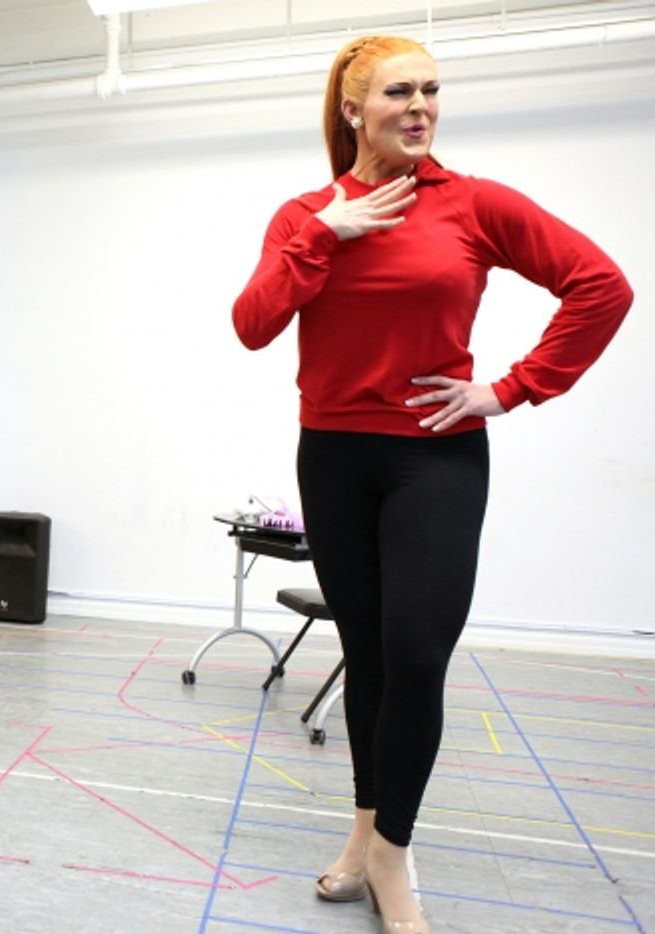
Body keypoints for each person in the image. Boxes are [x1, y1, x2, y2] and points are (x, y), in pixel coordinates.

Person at [231, 35, 631, 933]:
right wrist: (324, 235)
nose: (420, 107)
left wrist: (510, 388)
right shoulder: (305, 214)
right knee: (367, 654)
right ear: (352, 108)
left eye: (431, 90)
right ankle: (364, 831)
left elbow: (601, 287)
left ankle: (392, 852)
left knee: (416, 654)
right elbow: (253, 324)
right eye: (399, 92)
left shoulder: (474, 204)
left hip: (434, 458)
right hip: (333, 457)